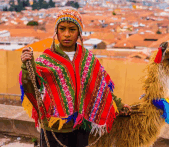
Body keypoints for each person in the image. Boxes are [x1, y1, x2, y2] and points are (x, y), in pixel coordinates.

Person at [19, 8, 130, 147]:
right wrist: (27, 67)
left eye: (72, 29)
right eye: (62, 29)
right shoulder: (45, 60)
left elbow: (102, 88)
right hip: (54, 129)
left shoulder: (88, 59)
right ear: (56, 32)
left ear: (79, 33)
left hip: (81, 128)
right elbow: (33, 89)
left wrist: (119, 105)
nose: (67, 34)